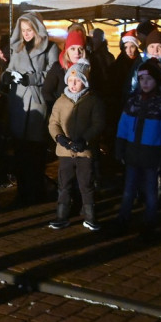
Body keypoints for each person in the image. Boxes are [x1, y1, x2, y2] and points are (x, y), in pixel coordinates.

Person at [115, 59, 161, 239]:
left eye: (149, 79)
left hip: (151, 155)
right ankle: (123, 219)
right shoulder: (132, 102)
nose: (145, 83)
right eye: (142, 79)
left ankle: (150, 221)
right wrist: (120, 147)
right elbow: (123, 127)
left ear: (156, 80)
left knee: (150, 191)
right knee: (128, 190)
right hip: (133, 154)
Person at [2, 12, 59, 204]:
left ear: (37, 29)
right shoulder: (17, 48)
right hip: (19, 101)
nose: (26, 34)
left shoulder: (50, 48)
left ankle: (36, 190)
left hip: (36, 100)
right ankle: (23, 190)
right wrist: (6, 76)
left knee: (36, 149)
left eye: (29, 30)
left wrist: (31, 79)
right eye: (23, 30)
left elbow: (53, 73)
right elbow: (10, 68)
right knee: (20, 150)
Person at [47, 61, 104, 230]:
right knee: (64, 185)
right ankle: (62, 215)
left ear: (84, 82)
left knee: (86, 185)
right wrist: (59, 137)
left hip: (84, 152)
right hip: (65, 152)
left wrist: (85, 140)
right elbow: (53, 122)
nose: (73, 84)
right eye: (70, 80)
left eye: (77, 80)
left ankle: (90, 216)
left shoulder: (93, 101)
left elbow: (98, 124)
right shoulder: (61, 101)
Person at [42, 26, 87, 105]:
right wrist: (57, 110)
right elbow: (46, 92)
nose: (77, 52)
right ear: (67, 50)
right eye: (72, 49)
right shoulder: (58, 68)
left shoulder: (89, 68)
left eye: (80, 48)